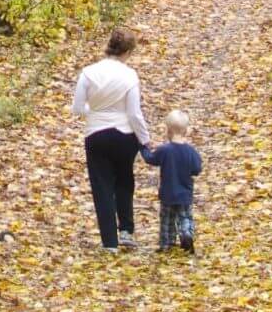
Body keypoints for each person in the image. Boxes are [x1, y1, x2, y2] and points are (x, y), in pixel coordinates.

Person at [72, 28, 151, 251]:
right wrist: (144, 139)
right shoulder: (129, 75)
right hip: (125, 135)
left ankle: (109, 242)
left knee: (102, 186)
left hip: (96, 134)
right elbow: (135, 114)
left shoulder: (88, 73)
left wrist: (97, 111)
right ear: (127, 51)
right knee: (124, 180)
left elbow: (78, 108)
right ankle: (126, 229)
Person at [140, 110, 203, 253]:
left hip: (167, 193)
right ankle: (186, 233)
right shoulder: (191, 151)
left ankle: (166, 243)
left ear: (168, 130)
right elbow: (197, 169)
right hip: (185, 193)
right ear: (186, 130)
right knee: (185, 216)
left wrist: (143, 146)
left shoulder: (165, 150)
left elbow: (150, 158)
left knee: (166, 219)